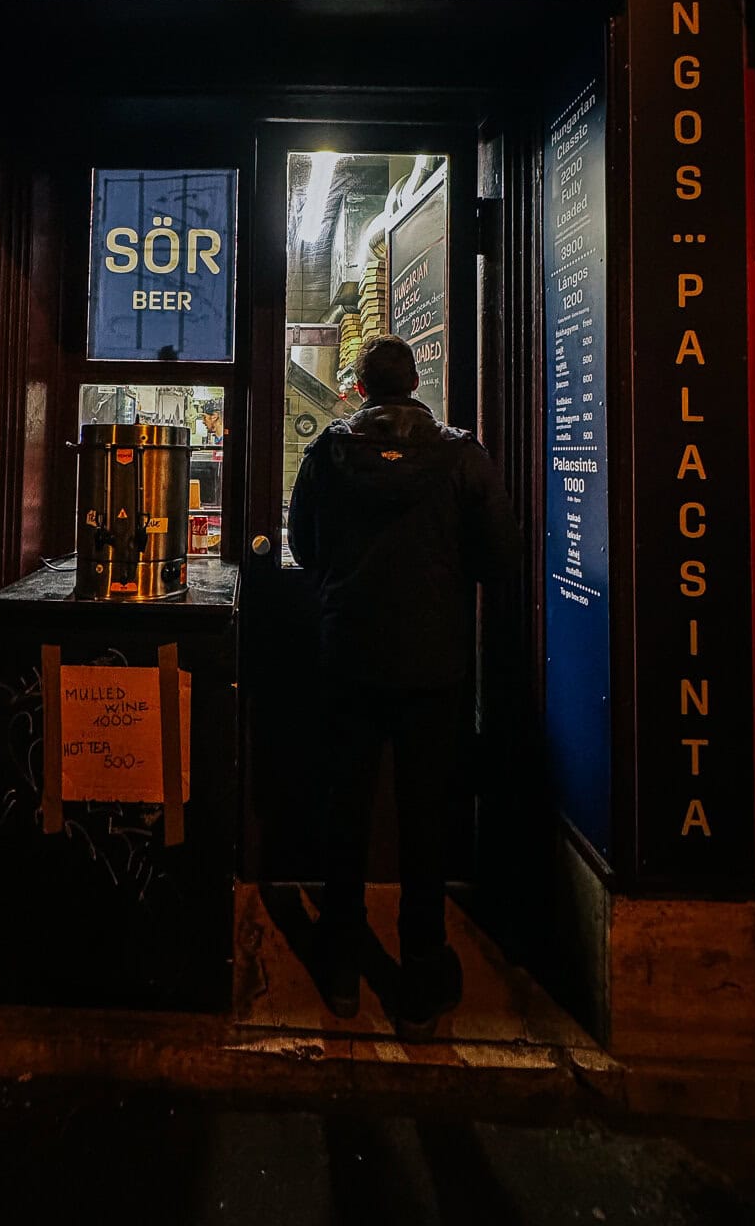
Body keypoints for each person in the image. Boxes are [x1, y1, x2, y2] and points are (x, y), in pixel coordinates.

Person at [287, 332, 520, 1042]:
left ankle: (340, 964)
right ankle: (419, 976)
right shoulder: (461, 456)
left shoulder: (329, 454)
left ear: (358, 388)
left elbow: (302, 545)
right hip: (433, 665)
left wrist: (341, 589)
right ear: (416, 383)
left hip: (348, 658)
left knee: (345, 809)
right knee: (425, 817)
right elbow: (500, 556)